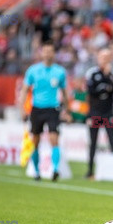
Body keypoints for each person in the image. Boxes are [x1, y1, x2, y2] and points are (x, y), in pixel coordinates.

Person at [19, 41, 70, 181]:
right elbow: (24, 90)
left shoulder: (59, 72)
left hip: (53, 108)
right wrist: (22, 108)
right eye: (45, 51)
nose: (47, 54)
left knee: (54, 139)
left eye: (50, 51)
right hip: (37, 109)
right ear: (42, 53)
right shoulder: (33, 70)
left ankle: (55, 170)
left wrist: (67, 110)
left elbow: (65, 92)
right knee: (35, 141)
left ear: (54, 54)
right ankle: (36, 171)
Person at [85, 48, 113, 180]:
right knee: (93, 142)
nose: (105, 60)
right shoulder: (92, 73)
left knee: (112, 141)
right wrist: (106, 88)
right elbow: (91, 91)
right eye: (102, 57)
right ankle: (90, 170)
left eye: (107, 57)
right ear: (98, 58)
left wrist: (107, 77)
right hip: (95, 112)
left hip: (109, 113)